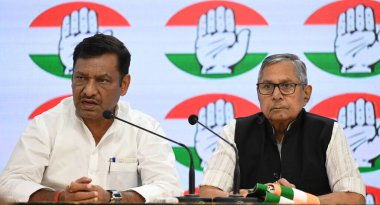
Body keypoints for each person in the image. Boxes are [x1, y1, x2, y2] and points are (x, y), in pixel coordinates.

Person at [0, 34, 183, 203]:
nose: (88, 91)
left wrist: (113, 199)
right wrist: (60, 198)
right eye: (81, 78)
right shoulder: (46, 125)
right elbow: (9, 184)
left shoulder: (144, 128)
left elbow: (169, 188)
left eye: (102, 80)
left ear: (124, 84)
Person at [199, 53, 365, 204]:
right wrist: (254, 198)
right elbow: (208, 193)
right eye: (267, 87)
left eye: (286, 85)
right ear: (258, 93)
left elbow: (354, 197)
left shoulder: (328, 132)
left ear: (306, 94)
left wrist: (298, 201)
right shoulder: (235, 131)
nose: (276, 95)